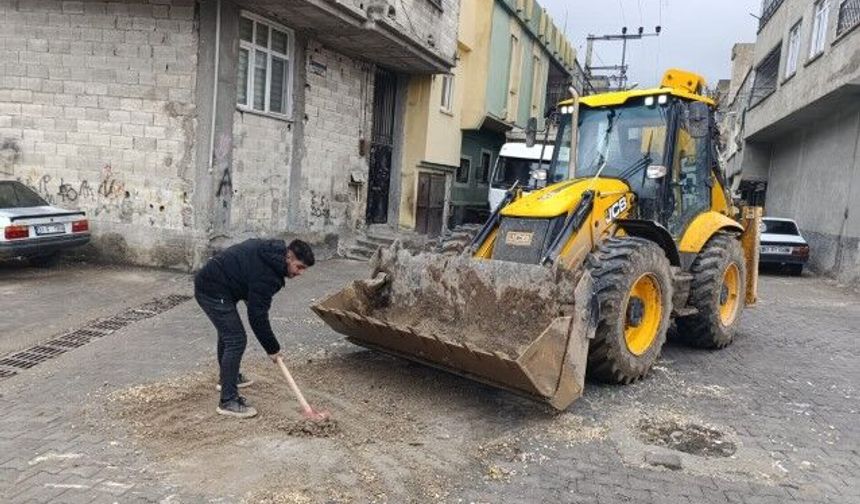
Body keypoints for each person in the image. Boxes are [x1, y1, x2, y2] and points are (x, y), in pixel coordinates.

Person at [194, 238, 315, 418]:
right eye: (299, 267)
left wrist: (250, 294)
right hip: (211, 288)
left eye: (304, 269)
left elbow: (249, 273)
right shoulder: (268, 276)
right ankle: (228, 401)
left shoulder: (272, 251)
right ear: (288, 256)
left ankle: (228, 378)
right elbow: (257, 317)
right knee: (236, 339)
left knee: (228, 333)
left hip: (221, 283)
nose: (301, 273)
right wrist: (273, 349)